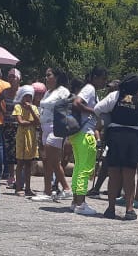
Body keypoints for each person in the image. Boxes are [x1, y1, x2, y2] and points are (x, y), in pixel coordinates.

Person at [93, 73, 138, 220]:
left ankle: (110, 208)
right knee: (129, 174)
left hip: (115, 136)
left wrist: (108, 119)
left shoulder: (114, 96)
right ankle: (129, 209)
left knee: (113, 172)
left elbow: (97, 109)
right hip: (133, 138)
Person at [31, 67, 73, 203]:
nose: (46, 78)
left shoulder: (63, 91)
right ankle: (47, 191)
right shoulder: (48, 92)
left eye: (49, 75)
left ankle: (66, 188)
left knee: (53, 161)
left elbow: (65, 108)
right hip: (45, 127)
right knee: (47, 161)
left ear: (56, 77)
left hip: (56, 127)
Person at [69, 67, 106, 216]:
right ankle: (80, 203)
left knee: (78, 168)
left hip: (79, 135)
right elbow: (77, 103)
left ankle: (75, 201)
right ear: (95, 78)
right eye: (103, 79)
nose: (104, 82)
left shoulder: (89, 89)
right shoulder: (90, 89)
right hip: (86, 134)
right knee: (85, 170)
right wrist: (94, 111)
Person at [12, 85, 39, 196]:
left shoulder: (35, 108)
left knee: (29, 163)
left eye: (29, 96)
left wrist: (31, 110)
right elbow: (20, 122)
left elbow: (38, 121)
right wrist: (32, 123)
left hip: (31, 137)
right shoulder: (18, 107)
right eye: (25, 96)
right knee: (20, 163)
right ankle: (18, 187)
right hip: (22, 137)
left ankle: (28, 188)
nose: (27, 99)